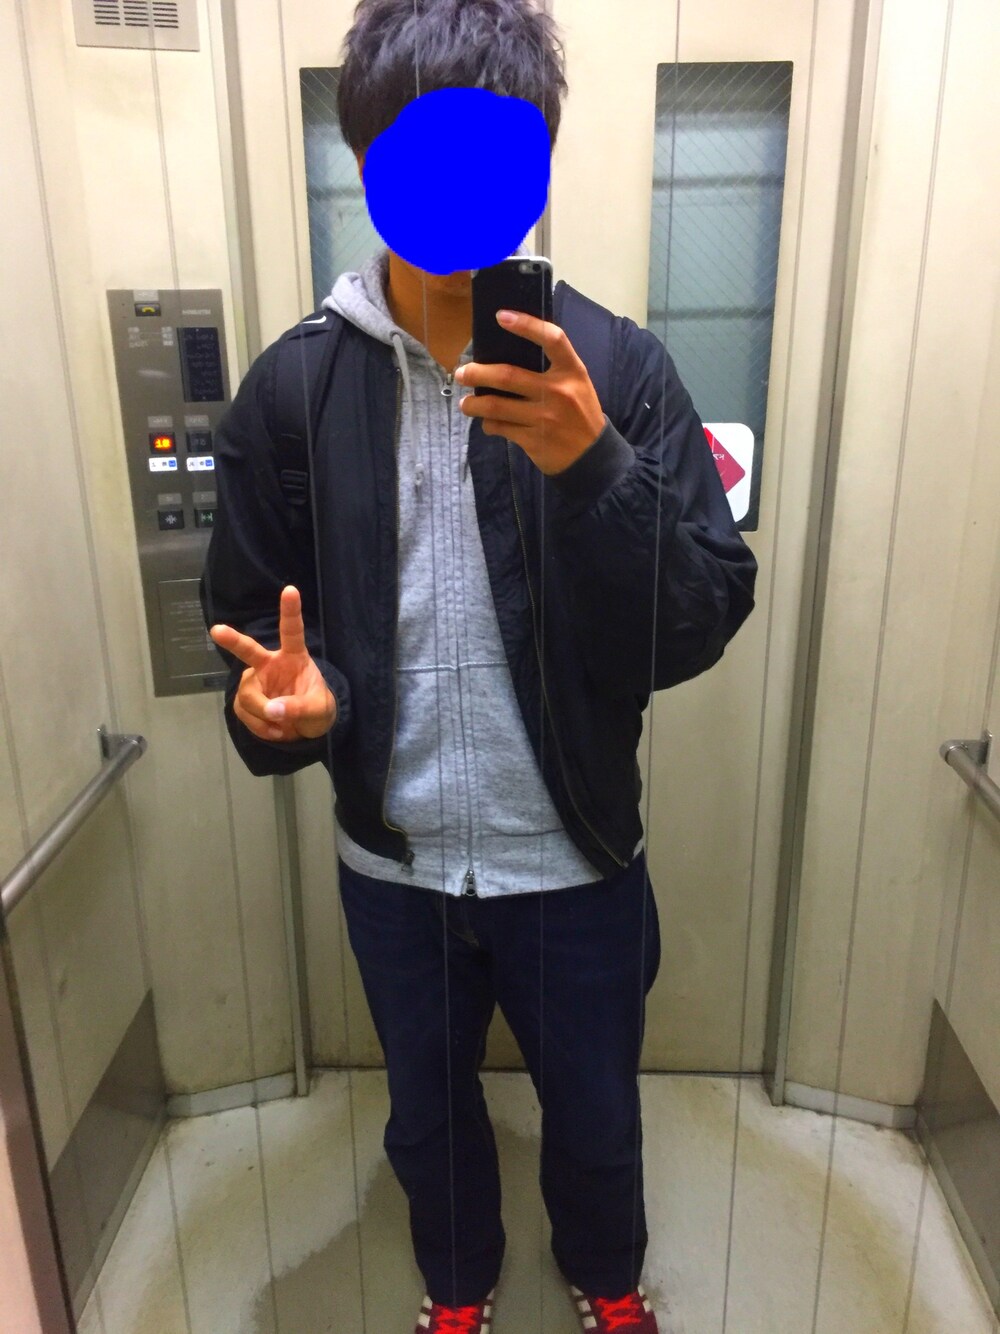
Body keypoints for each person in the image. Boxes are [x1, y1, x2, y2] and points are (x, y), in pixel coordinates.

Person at [200, 2, 757, 1331]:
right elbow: (253, 628)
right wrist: (288, 712)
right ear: (368, 161)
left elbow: (700, 616)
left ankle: (607, 1281)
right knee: (426, 1116)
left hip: (573, 855)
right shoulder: (293, 391)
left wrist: (598, 469)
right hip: (394, 867)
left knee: (598, 1114)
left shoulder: (617, 370)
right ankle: (459, 1287)